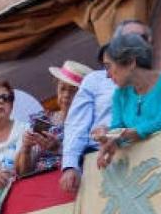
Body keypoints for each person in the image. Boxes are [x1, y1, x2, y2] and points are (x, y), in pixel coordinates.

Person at [59, 20, 152, 192]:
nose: (136, 42)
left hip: (146, 156)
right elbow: (76, 125)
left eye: (142, 37)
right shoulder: (95, 80)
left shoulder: (158, 79)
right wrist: (70, 166)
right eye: (129, 38)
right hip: (100, 161)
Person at [94, 34, 161, 169]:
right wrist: (107, 138)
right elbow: (117, 128)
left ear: (131, 62)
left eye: (108, 66)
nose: (107, 75)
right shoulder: (120, 95)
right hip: (145, 167)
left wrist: (133, 132)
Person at [17, 61, 92, 176]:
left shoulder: (91, 123)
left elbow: (91, 160)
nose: (66, 95)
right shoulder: (44, 120)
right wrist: (26, 148)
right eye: (62, 89)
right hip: (40, 184)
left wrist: (58, 148)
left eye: (73, 91)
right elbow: (24, 172)